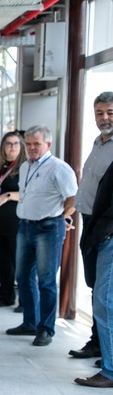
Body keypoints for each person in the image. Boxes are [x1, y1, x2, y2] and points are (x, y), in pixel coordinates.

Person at [6, 125, 77, 346]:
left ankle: (46, 329)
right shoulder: (26, 166)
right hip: (25, 226)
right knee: (23, 277)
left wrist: (62, 218)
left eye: (37, 144)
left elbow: (73, 198)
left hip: (48, 228)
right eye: (28, 144)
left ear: (48, 144)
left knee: (45, 281)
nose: (32, 148)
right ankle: (30, 322)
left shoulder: (59, 168)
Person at [71, 92, 113, 359]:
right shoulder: (99, 142)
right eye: (99, 113)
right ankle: (98, 342)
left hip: (106, 226)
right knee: (94, 285)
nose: (104, 118)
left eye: (110, 112)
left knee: (104, 294)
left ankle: (108, 357)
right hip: (88, 221)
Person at [76, 156, 113, 387]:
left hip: (108, 235)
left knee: (104, 302)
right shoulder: (99, 146)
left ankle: (109, 371)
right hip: (101, 232)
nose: (105, 117)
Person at [0, 131, 27, 308]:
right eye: (8, 144)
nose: (12, 147)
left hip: (16, 221)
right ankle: (6, 295)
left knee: (18, 261)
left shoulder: (25, 167)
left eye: (16, 144)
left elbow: (29, 193)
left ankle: (24, 301)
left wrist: (8, 195)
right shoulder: (0, 167)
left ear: (21, 147)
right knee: (3, 260)